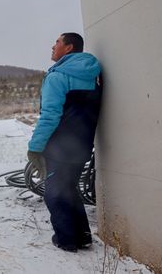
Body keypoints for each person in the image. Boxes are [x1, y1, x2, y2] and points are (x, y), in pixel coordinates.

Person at [27, 32, 102, 252]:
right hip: (83, 145)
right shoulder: (93, 75)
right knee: (69, 189)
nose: (53, 46)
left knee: (54, 193)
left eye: (57, 42)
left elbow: (50, 116)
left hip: (60, 146)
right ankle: (83, 235)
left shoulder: (58, 76)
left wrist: (35, 147)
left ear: (68, 48)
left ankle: (67, 239)